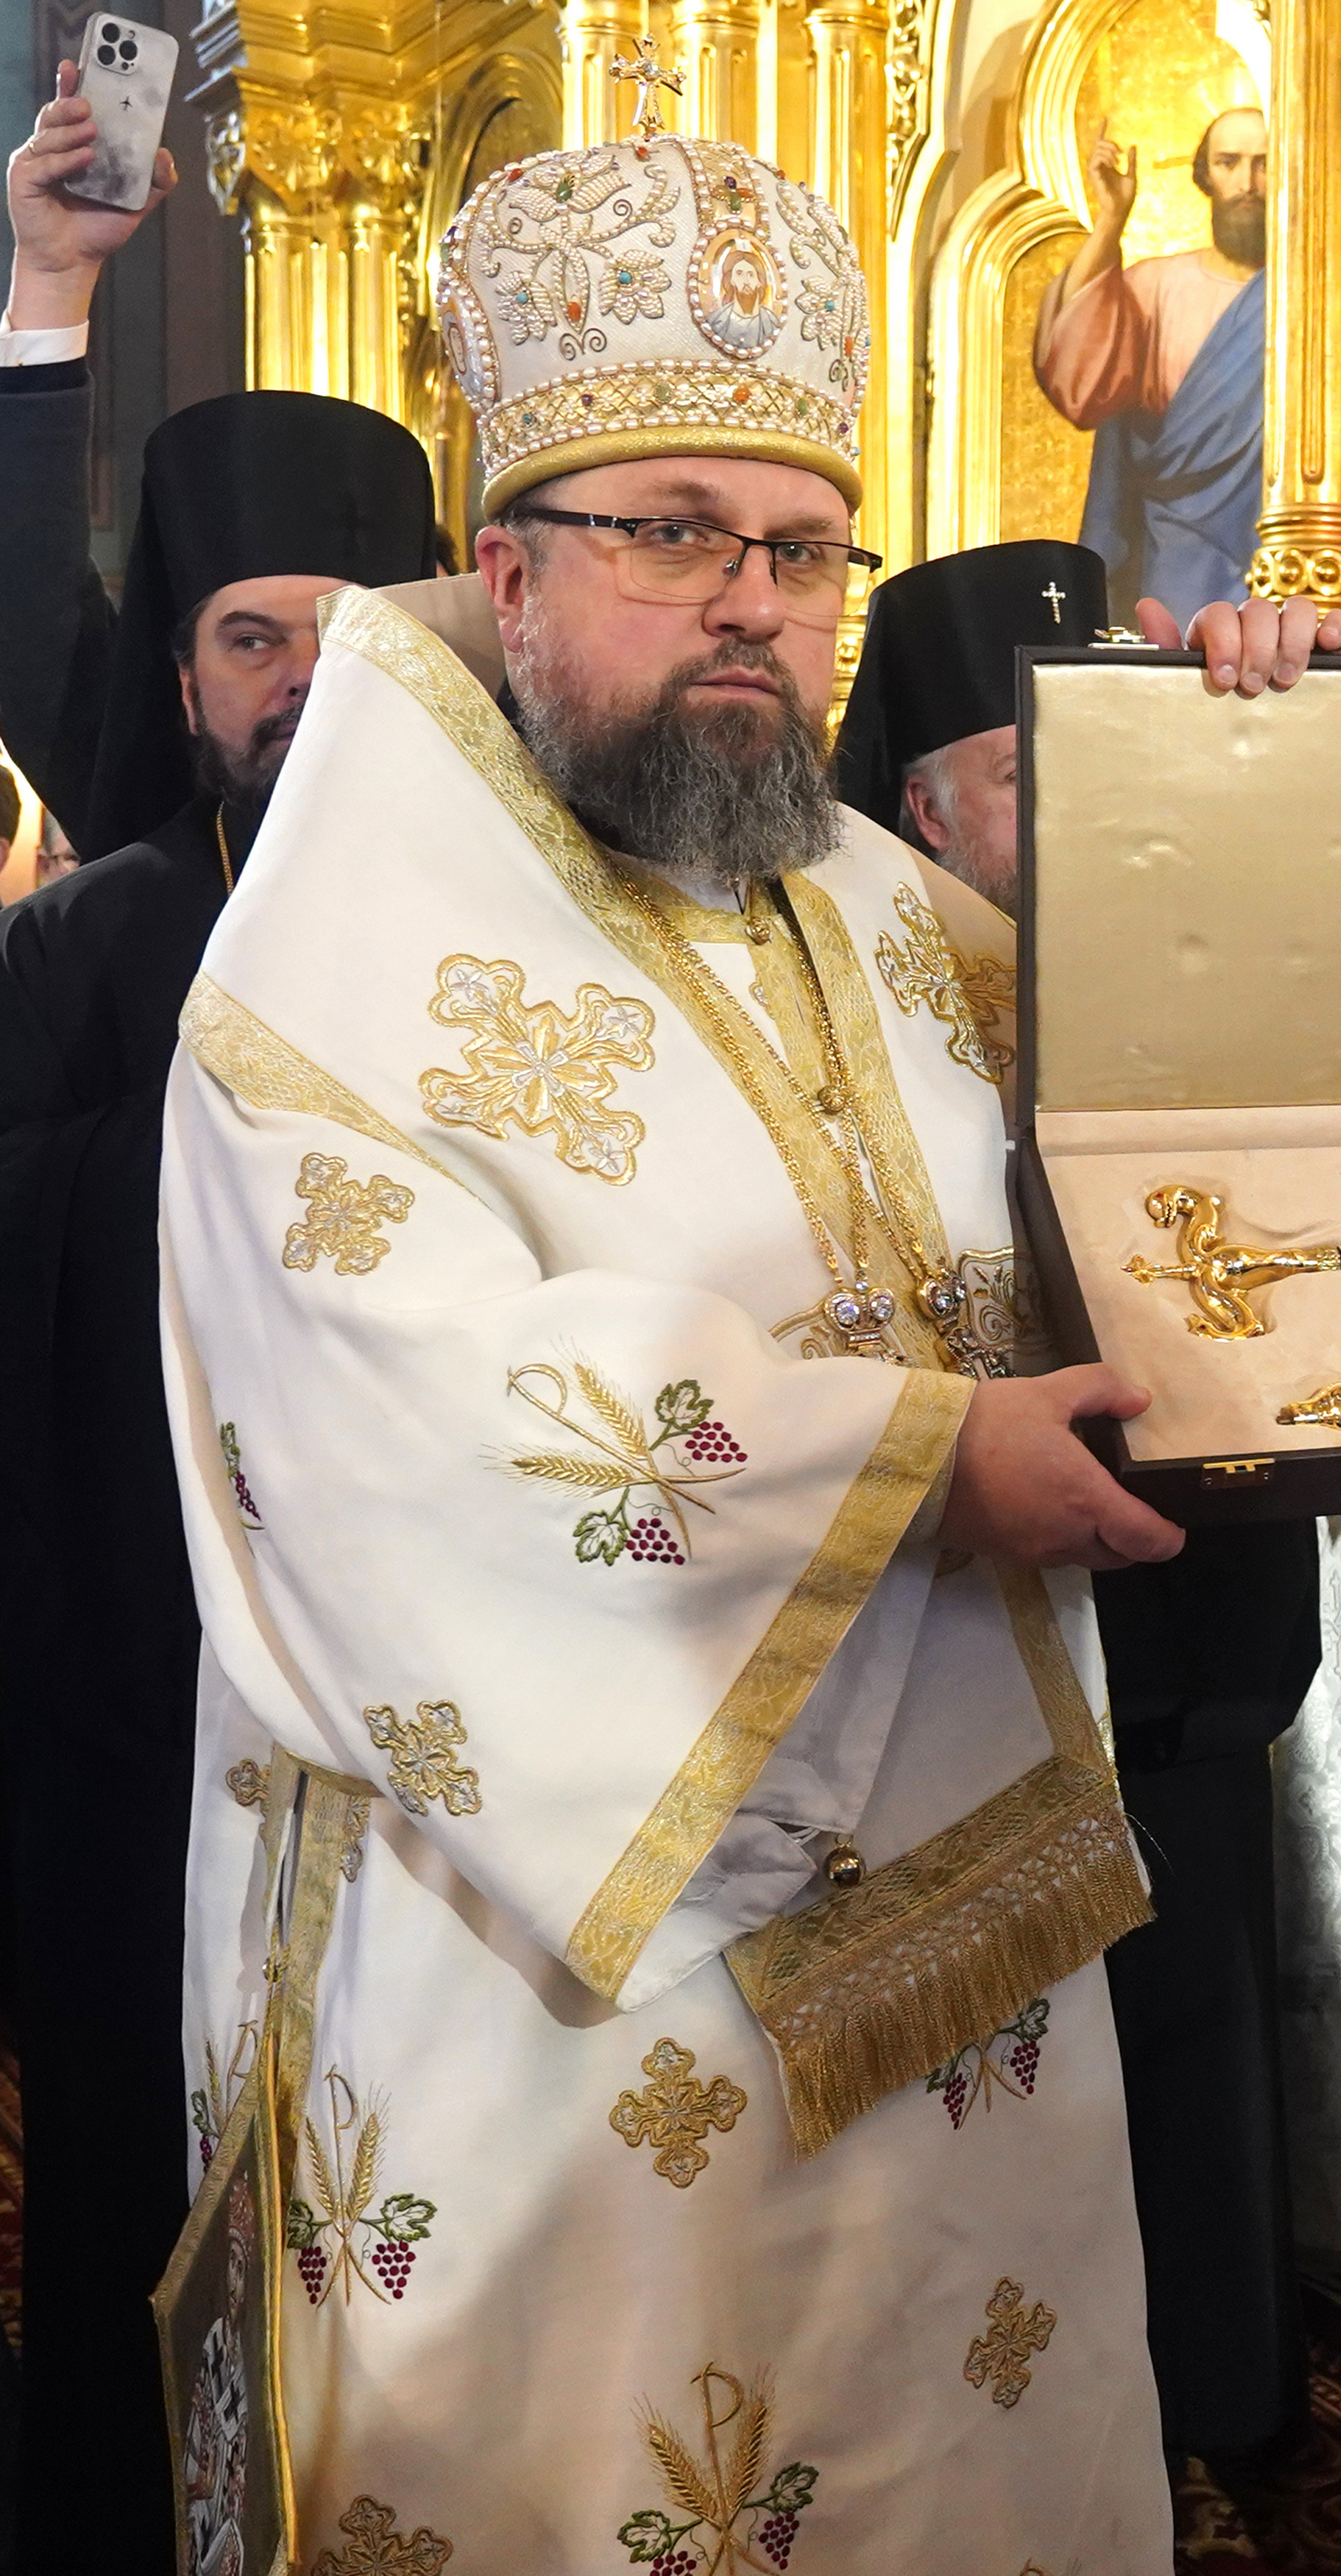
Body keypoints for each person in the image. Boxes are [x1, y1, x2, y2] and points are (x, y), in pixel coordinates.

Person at [152, 121, 1332, 2557]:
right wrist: (923, 1470)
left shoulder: (894, 915)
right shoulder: (327, 983)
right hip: (559, 1982)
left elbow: (1216, 1150)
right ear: (508, 568)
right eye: (673, 532)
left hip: (961, 1937)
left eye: (802, 550)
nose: (752, 604)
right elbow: (421, 1427)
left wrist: (1272, 798)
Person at [0, 71, 447, 2572]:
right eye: (252, 636)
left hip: (423, 1734)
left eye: (350, 636)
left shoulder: (513, 953)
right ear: (184, 679)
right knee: (122, 2217)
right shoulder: (82, 948)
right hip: (121, 1716)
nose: (302, 680)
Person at [832, 534, 1341, 2480]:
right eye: (1035, 767)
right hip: (958, 1655)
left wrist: (1281, 745)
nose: (1084, 798)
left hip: (1185, 1639)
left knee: (1191, 2063)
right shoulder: (854, 1007)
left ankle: (1209, 2428)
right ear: (921, 808)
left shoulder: (1191, 948)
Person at [1035, 106, 1270, 616]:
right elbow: (1076, 381)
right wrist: (1111, 219)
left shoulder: (1307, 302)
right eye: (1229, 163)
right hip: (1170, 559)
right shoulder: (1153, 286)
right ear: (1205, 174)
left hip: (1274, 560)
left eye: (1263, 164)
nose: (1247, 182)